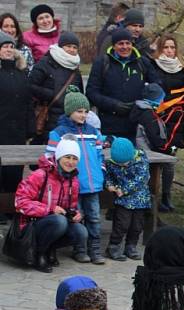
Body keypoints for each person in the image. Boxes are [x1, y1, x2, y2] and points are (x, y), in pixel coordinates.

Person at [46, 90, 106, 265]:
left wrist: (100, 172)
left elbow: (100, 155)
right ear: (69, 111)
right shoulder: (59, 133)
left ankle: (95, 250)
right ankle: (79, 249)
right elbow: (51, 158)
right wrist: (62, 178)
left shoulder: (93, 132)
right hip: (73, 185)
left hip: (93, 184)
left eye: (86, 111)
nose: (83, 115)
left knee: (94, 218)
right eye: (79, 111)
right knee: (76, 218)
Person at [15, 138, 88, 272]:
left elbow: (71, 207)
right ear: (59, 156)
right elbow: (20, 202)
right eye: (67, 157)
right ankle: (39, 253)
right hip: (31, 224)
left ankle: (50, 248)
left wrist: (76, 214)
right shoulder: (40, 175)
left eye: (74, 158)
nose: (71, 162)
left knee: (81, 232)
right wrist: (49, 210)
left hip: (54, 222)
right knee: (59, 221)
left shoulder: (74, 180)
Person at [86, 28, 161, 141]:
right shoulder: (102, 63)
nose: (125, 47)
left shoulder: (143, 63)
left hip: (136, 126)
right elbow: (91, 92)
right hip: (108, 124)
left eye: (128, 43)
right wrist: (114, 105)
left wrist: (142, 103)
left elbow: (157, 87)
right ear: (114, 45)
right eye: (120, 43)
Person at [152, 35, 184, 212]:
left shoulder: (182, 70)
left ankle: (166, 196)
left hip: (176, 121)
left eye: (172, 47)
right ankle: (152, 194)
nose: (169, 51)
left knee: (169, 162)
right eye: (166, 47)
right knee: (154, 160)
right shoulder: (153, 67)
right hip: (157, 119)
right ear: (160, 49)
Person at [29, 32, 84, 142]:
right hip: (47, 117)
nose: (72, 50)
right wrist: (51, 94)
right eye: (68, 46)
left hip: (70, 120)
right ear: (60, 46)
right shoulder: (45, 63)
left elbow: (80, 93)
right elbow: (30, 86)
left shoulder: (75, 69)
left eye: (75, 47)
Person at [104, 137, 150, 261]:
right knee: (121, 224)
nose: (122, 165)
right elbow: (108, 176)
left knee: (137, 225)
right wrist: (110, 185)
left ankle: (131, 246)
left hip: (139, 199)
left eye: (124, 162)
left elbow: (141, 179)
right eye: (119, 163)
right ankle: (113, 246)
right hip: (123, 201)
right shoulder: (112, 163)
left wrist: (123, 190)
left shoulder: (141, 160)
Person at [0, 32, 34, 194]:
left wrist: (30, 129)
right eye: (5, 46)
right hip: (1, 130)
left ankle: (12, 209)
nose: (8, 50)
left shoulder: (21, 74)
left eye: (11, 47)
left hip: (18, 132)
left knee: (14, 173)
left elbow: (28, 103)